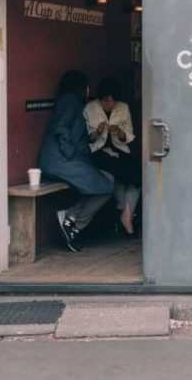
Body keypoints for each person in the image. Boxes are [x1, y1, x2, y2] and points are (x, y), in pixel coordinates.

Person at [38, 70, 115, 252]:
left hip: (65, 161)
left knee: (108, 181)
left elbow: (75, 133)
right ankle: (74, 222)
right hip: (61, 162)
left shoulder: (71, 101)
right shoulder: (70, 100)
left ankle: (71, 219)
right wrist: (71, 153)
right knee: (106, 185)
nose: (89, 90)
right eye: (87, 86)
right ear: (80, 86)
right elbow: (61, 128)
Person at [84, 77, 141, 237]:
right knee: (118, 171)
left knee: (137, 171)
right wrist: (97, 132)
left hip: (120, 148)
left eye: (112, 101)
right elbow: (87, 137)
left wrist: (120, 133)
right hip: (98, 151)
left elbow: (129, 133)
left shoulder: (124, 108)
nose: (109, 104)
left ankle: (125, 213)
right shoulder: (90, 108)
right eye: (105, 101)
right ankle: (127, 217)